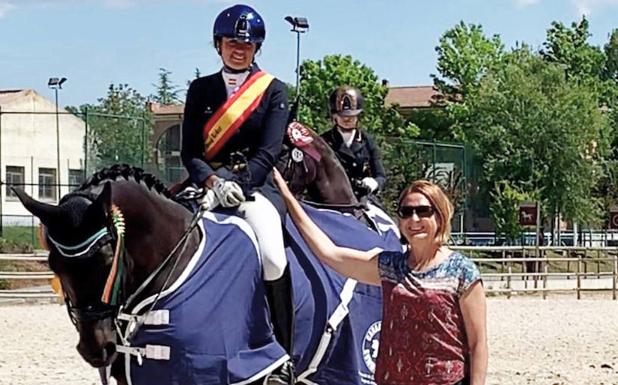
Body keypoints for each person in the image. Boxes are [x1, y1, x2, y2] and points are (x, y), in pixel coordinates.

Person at [273, 170, 488, 385]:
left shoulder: (462, 271)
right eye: (406, 212)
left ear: (439, 217)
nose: (414, 219)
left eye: (423, 211)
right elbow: (330, 253)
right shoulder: (391, 267)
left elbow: (477, 343)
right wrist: (287, 197)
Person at [180, 4, 293, 384]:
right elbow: (190, 152)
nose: (238, 49)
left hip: (255, 188)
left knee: (274, 257)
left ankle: (282, 351)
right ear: (219, 45)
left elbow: (269, 152)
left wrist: (238, 187)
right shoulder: (200, 89)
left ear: (256, 47)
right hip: (207, 185)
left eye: (246, 44)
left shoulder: (274, 91)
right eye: (231, 42)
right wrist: (213, 182)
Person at [321, 86, 387, 199]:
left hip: (361, 198)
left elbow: (380, 175)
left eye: (351, 116)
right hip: (331, 199)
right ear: (334, 116)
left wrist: (373, 183)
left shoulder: (368, 141)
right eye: (343, 116)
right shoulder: (323, 141)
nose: (347, 119)